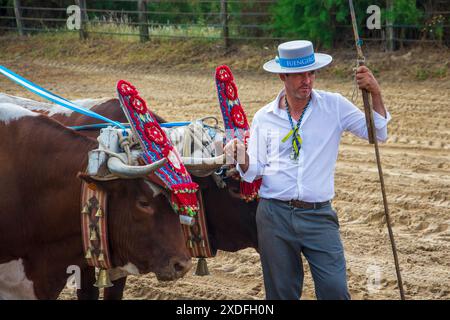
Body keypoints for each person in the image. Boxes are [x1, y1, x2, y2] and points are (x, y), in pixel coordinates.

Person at [224, 40, 391, 300]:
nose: (307, 80)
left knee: (335, 290)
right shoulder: (264, 117)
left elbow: (377, 132)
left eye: (311, 73)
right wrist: (241, 157)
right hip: (274, 215)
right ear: (282, 76)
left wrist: (376, 93)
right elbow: (255, 170)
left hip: (319, 216)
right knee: (280, 294)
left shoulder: (334, 106)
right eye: (299, 74)